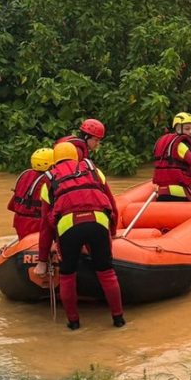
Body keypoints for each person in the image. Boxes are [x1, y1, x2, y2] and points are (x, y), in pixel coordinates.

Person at [33, 128, 125, 330]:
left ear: (54, 159)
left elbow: (45, 227)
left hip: (68, 228)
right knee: (107, 272)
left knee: (67, 275)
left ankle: (74, 323)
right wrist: (112, 233)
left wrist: (41, 260)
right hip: (98, 222)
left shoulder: (48, 180)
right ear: (76, 155)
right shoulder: (93, 170)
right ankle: (118, 320)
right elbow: (112, 205)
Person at [7, 147, 54, 239]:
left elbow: (13, 205)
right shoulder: (48, 180)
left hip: (19, 221)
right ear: (51, 165)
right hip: (36, 223)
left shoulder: (25, 175)